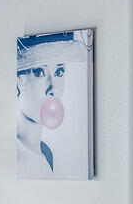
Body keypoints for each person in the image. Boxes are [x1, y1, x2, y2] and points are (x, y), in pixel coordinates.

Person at [16, 31, 91, 178]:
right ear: (20, 81)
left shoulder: (47, 153)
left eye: (59, 72)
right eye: (40, 72)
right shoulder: (16, 160)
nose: (53, 88)